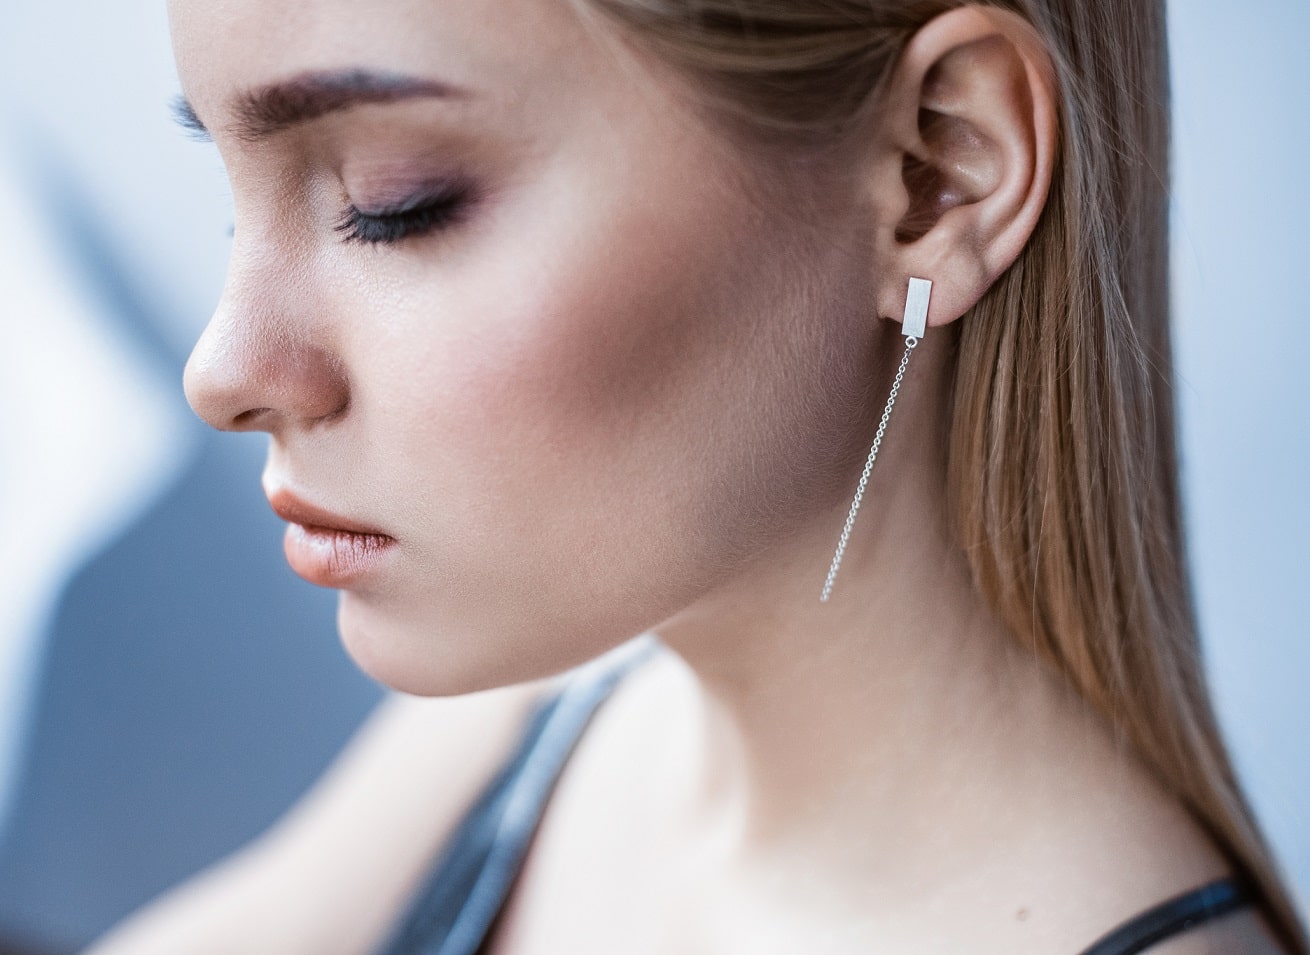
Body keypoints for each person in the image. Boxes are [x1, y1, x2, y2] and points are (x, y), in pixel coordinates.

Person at [85, 0, 1307, 952]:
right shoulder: (560, 724)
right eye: (236, 205)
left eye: (395, 203)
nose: (223, 368)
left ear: (938, 172)